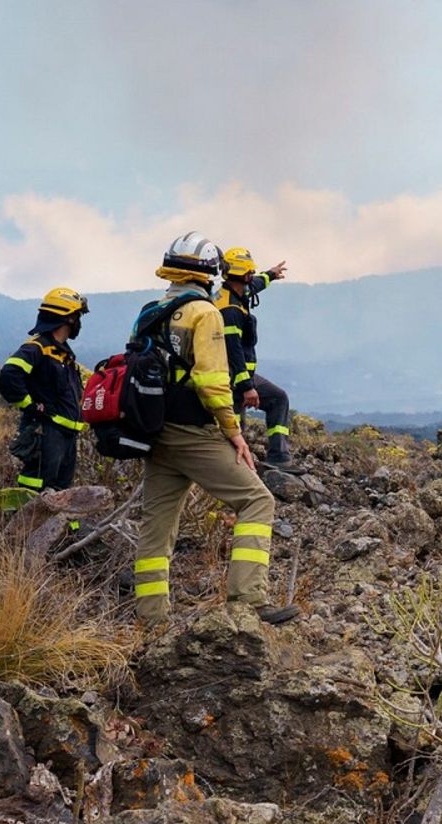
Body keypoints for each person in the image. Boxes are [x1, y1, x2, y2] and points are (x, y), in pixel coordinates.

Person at [132, 231, 299, 627]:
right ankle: (247, 603)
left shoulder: (152, 311)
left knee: (156, 528)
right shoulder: (204, 314)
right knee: (258, 501)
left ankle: (151, 619)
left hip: (156, 434)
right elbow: (210, 382)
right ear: (209, 272)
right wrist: (235, 433)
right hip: (194, 432)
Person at [0, 287, 88, 492]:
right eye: (77, 316)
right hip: (45, 432)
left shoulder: (63, 354)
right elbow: (9, 375)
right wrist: (32, 407)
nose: (79, 323)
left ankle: (64, 526)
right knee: (37, 486)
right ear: (68, 319)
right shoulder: (37, 348)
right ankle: (23, 523)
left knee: (61, 491)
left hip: (66, 435)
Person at [215, 247, 292, 466]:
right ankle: (234, 469)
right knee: (235, 426)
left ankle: (279, 457)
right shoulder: (229, 309)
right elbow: (233, 351)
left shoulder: (237, 291)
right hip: (230, 378)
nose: (252, 276)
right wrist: (247, 387)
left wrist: (271, 274)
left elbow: (256, 285)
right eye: (250, 272)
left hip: (242, 376)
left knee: (278, 398)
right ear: (243, 274)